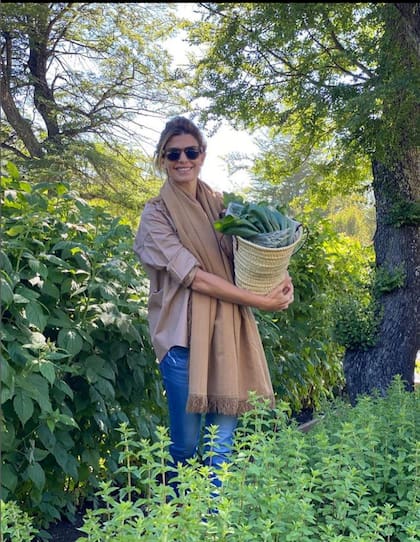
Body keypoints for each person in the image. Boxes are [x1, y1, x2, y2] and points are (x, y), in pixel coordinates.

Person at [133, 116, 294, 492]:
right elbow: (197, 278)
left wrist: (278, 276)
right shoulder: (155, 215)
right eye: (173, 154)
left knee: (220, 445)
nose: (182, 160)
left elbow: (247, 257)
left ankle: (212, 524)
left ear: (202, 155)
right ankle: (178, 519)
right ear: (162, 159)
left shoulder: (221, 207)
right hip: (181, 344)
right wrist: (259, 301)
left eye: (191, 151)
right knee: (186, 447)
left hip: (227, 339)